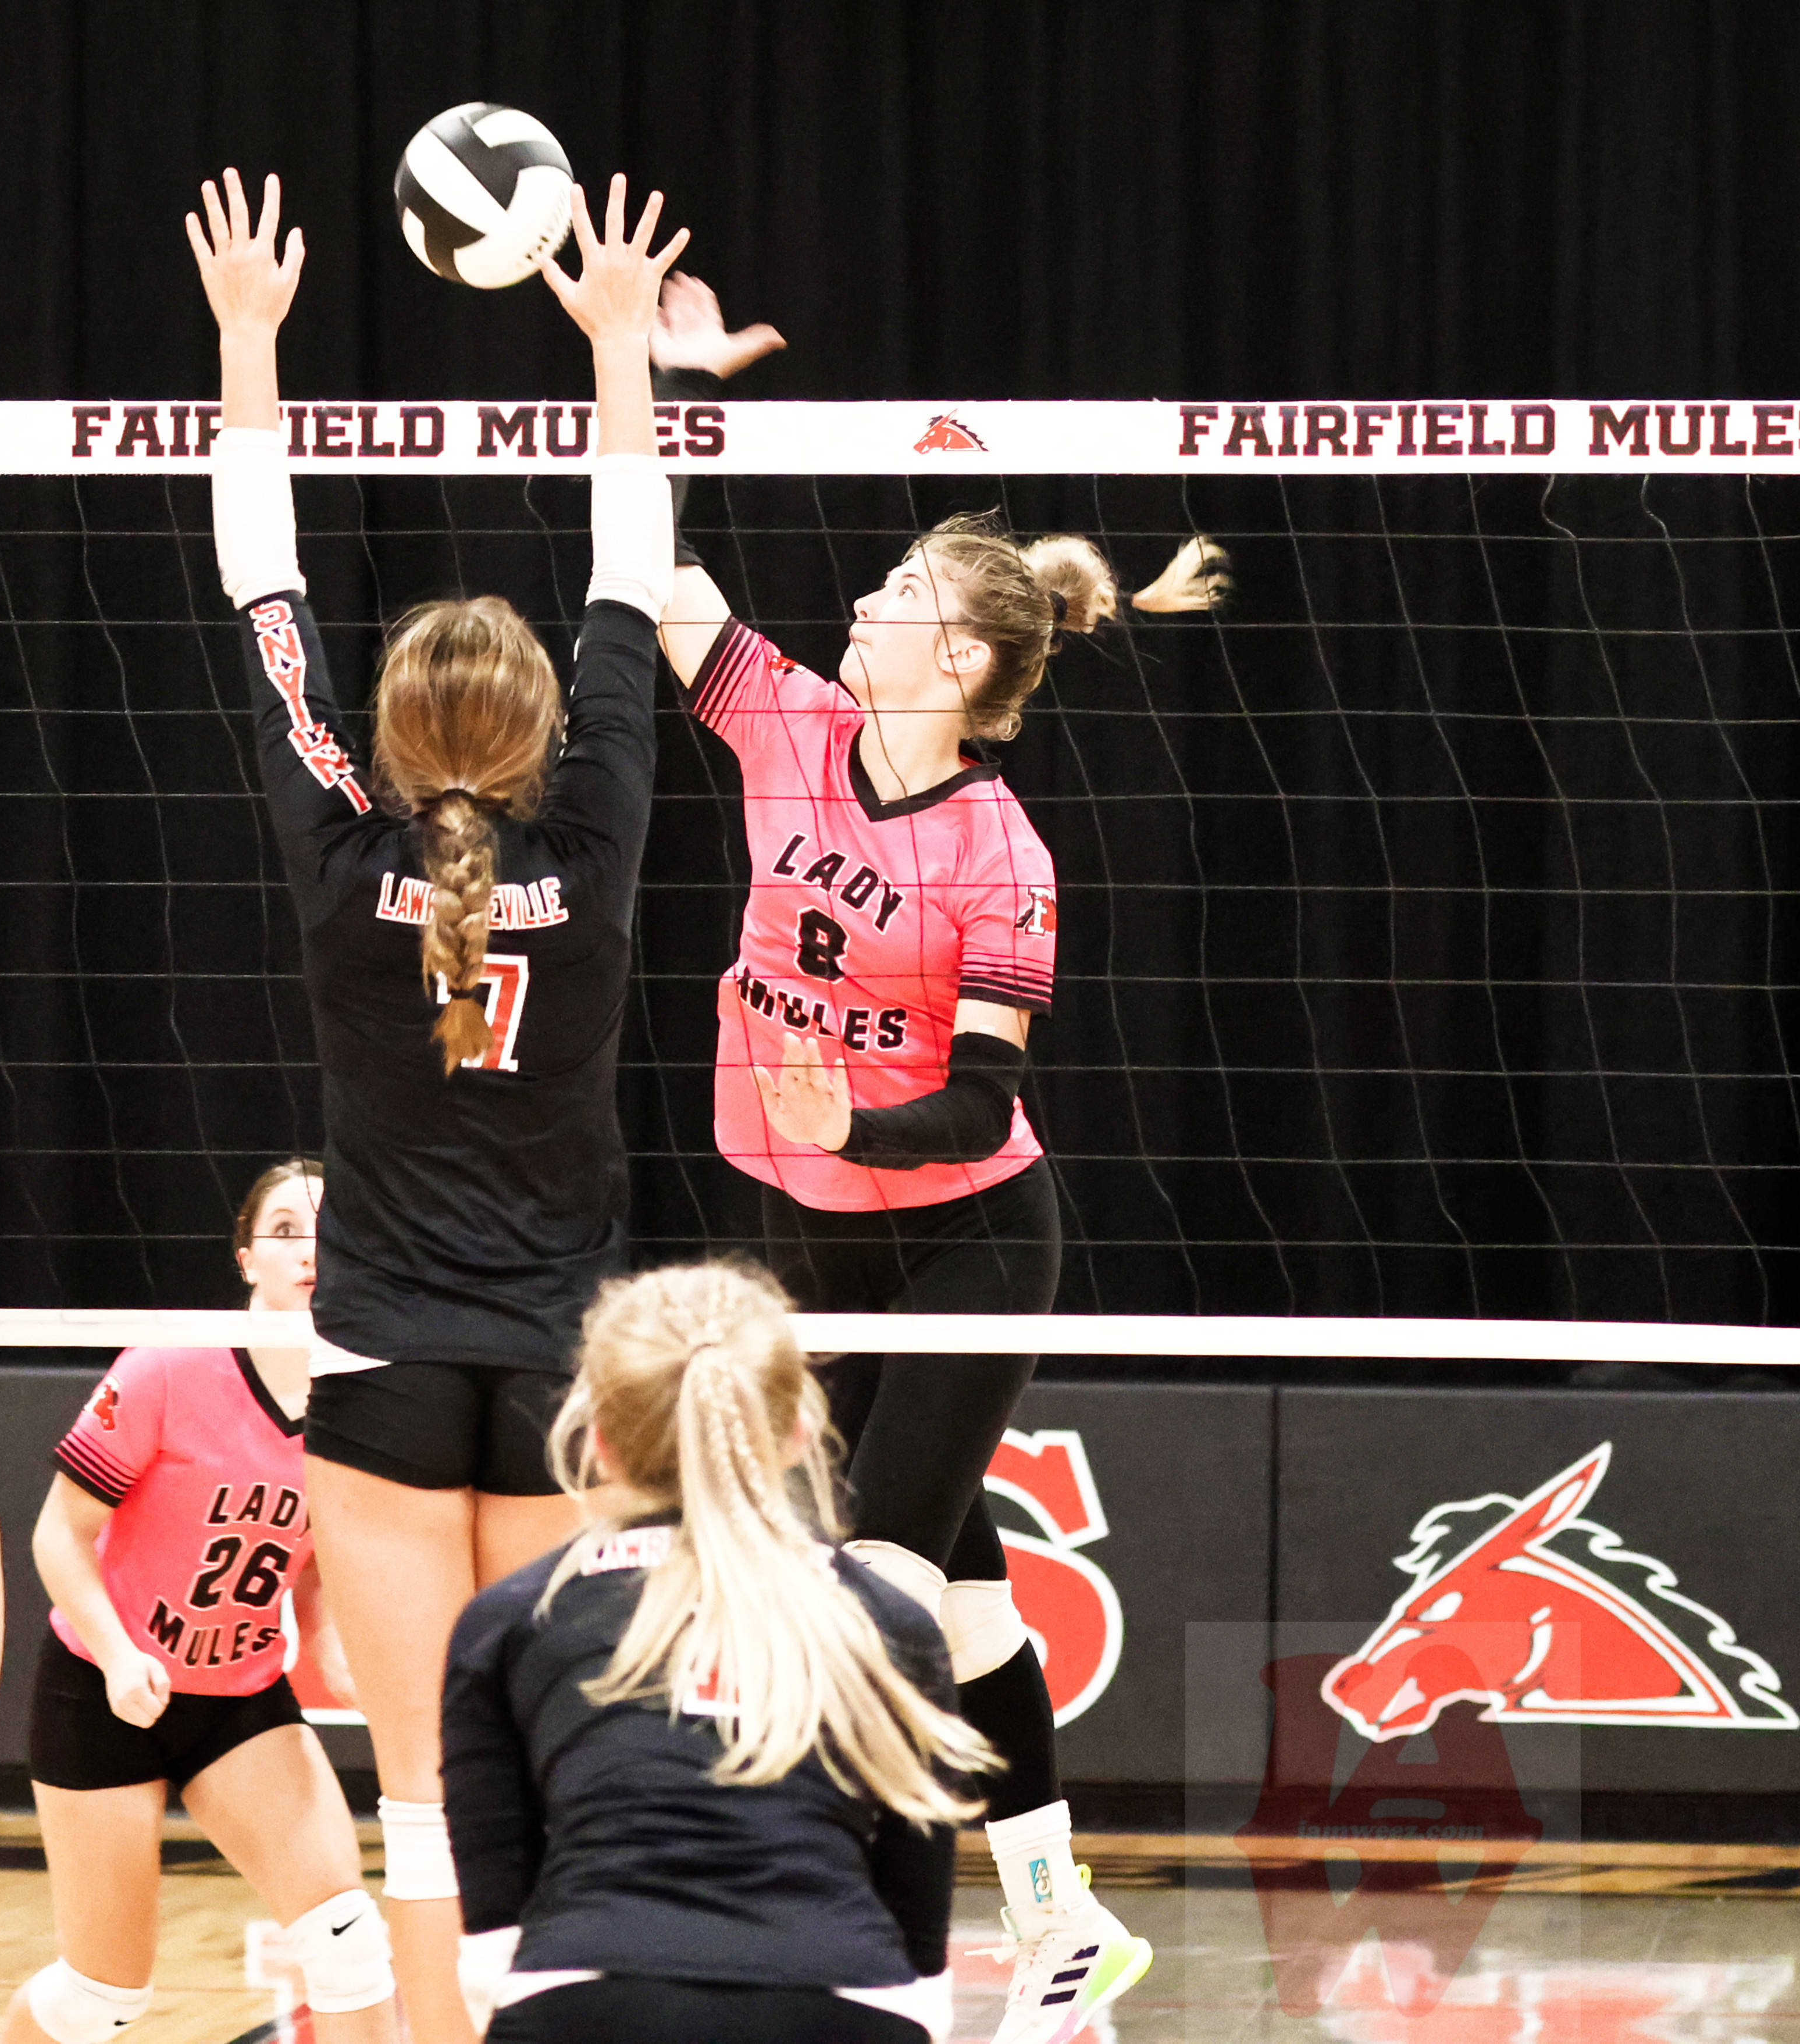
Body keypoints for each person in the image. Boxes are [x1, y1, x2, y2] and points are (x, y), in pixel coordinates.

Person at [648, 276, 1215, 2042]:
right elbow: (651, 574)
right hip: (811, 1226)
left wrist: (854, 1122)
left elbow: (979, 1106)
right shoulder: (786, 721)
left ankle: (821, 1931)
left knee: (869, 1585)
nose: (858, 604)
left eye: (894, 596)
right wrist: (661, 384)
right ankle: (1059, 1920)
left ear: (959, 661)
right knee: (954, 1591)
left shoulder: (1001, 852)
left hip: (966, 1232)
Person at [188, 167, 681, 2042]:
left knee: (418, 1790)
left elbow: (264, 594)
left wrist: (249, 343)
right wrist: (617, 349)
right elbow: (631, 574)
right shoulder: (602, 829)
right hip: (563, 1362)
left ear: (385, 739)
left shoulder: (341, 852)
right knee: (545, 1772)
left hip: (382, 1355)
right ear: (549, 732)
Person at [443, 1262, 996, 2044]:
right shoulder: (889, 1624)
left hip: (586, 2001)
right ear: (800, 1432)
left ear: (600, 1443)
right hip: (841, 2002)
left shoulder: (508, 1622)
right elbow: (919, 1942)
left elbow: (493, 1945)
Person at [0, 1158, 393, 2044]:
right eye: (286, 1231)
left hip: (240, 1701)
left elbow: (314, 1554)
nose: (311, 1249)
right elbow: (57, 1536)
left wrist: (327, 1639)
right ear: (246, 1259)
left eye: (330, 1229)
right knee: (101, 1999)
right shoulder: (171, 1367)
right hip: (104, 1695)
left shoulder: (364, 1398)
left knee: (349, 1943)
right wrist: (118, 1656)